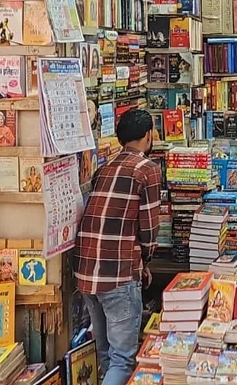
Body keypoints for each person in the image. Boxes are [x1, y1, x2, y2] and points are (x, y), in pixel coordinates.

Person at [74, 109, 161, 385]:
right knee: (123, 359)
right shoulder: (147, 170)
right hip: (118, 275)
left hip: (86, 274)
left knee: (106, 355)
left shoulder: (104, 168)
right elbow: (148, 230)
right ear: (148, 136)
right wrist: (145, 262)